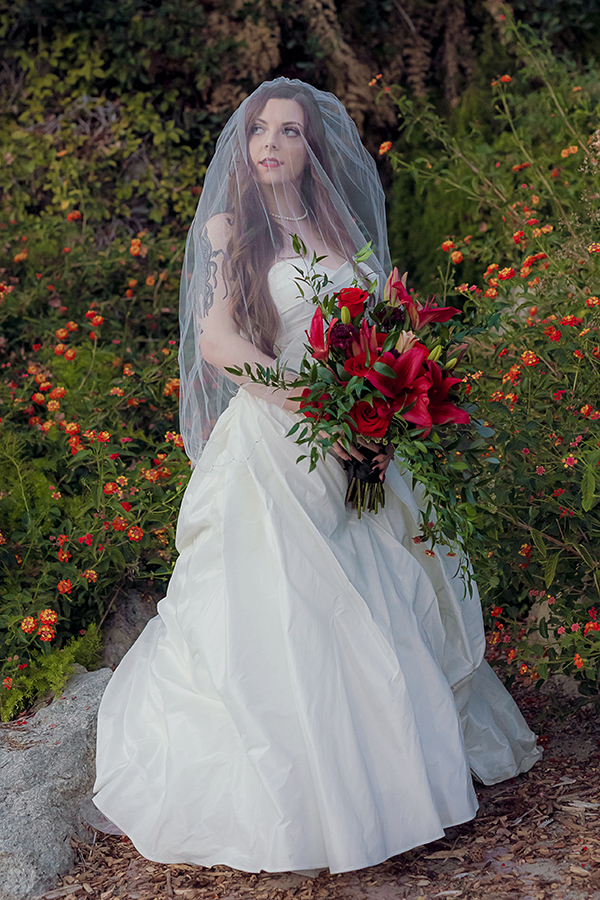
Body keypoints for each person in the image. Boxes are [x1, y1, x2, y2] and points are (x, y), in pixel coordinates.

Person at [92, 78, 542, 876]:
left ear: (311, 149)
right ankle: (307, 802)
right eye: (259, 129)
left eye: (289, 131)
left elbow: (381, 333)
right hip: (277, 446)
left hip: (355, 448)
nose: (270, 142)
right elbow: (218, 342)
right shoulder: (237, 235)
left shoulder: (347, 240)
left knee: (378, 596)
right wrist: (313, 404)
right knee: (289, 613)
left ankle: (400, 777)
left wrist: (381, 416)